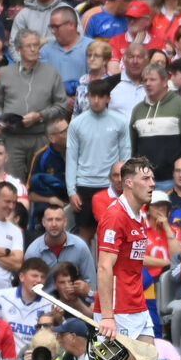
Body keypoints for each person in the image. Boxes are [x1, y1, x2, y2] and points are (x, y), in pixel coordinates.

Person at [44, 157, 164, 360]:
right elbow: (104, 267)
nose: (153, 183)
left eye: (153, 178)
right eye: (146, 178)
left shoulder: (139, 217)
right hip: (116, 315)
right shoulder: (114, 216)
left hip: (139, 311)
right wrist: (107, 316)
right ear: (128, 182)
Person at [0, 29, 67, 182]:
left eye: (36, 45)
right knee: (12, 183)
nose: (34, 49)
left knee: (42, 181)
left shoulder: (52, 73)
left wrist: (40, 116)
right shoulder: (5, 73)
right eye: (29, 46)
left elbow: (62, 105)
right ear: (19, 49)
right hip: (12, 138)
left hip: (41, 137)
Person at [66, 79, 131, 243]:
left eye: (100, 97)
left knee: (114, 233)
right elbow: (71, 157)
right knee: (85, 234)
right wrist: (71, 191)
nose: (96, 101)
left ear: (108, 99)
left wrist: (126, 185)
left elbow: (126, 156)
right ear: (87, 97)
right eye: (93, 96)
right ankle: (85, 268)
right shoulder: (76, 124)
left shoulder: (120, 122)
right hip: (85, 184)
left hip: (111, 186)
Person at [129, 64, 181, 191]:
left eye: (152, 79)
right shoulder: (138, 110)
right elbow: (133, 146)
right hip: (145, 181)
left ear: (165, 81)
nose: (148, 83)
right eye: (145, 80)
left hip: (172, 181)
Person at [23, 204, 96, 292]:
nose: (54, 224)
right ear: (43, 223)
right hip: (44, 301)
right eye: (50, 220)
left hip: (74, 299)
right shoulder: (33, 252)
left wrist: (89, 294)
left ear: (65, 222)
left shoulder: (80, 246)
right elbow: (28, 288)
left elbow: (91, 285)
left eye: (58, 219)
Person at [0, 257, 52, 353]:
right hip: (2, 358)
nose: (39, 280)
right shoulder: (2, 296)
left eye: (43, 277)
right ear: (22, 277)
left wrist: (57, 319)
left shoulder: (49, 304)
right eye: (34, 276)